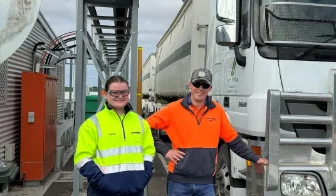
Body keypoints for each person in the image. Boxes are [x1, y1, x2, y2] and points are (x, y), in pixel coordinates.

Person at [146, 68, 269, 196]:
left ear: (210, 88)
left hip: (206, 184)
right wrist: (166, 151)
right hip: (178, 182)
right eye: (196, 84)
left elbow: (234, 141)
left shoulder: (218, 111)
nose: (200, 88)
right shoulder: (173, 109)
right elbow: (146, 127)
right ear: (190, 85)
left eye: (204, 85)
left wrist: (255, 158)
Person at [74, 75, 156, 196]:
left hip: (135, 191)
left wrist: (143, 178)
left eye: (124, 92)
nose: (120, 96)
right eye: (114, 93)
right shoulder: (91, 124)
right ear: (105, 94)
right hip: (102, 192)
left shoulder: (141, 122)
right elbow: (82, 158)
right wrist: (103, 183)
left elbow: (148, 152)